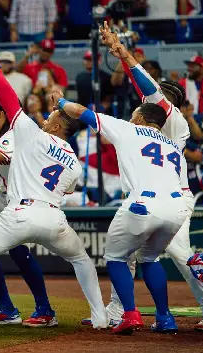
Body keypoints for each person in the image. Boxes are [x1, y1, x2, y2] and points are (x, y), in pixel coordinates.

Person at [0, 42, 106, 333]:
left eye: (52, 118)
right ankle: (100, 317)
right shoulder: (75, 161)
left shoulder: (31, 135)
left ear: (58, 127)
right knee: (81, 259)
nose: (46, 119)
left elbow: (9, 100)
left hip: (20, 212)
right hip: (54, 218)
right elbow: (67, 189)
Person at [108, 31, 203, 330]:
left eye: (162, 92)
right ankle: (116, 311)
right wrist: (124, 60)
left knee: (180, 254)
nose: (153, 95)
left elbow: (148, 87)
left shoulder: (172, 118)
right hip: (154, 195)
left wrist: (125, 55)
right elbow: (144, 87)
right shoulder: (156, 119)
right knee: (126, 252)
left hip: (172, 197)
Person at [58, 90, 187, 334]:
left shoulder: (130, 129)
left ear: (140, 119)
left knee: (117, 257)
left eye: (132, 116)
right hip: (176, 208)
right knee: (149, 259)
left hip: (142, 203)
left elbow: (80, 112)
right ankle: (165, 317)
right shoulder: (173, 146)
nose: (130, 119)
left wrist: (61, 101)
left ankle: (129, 314)